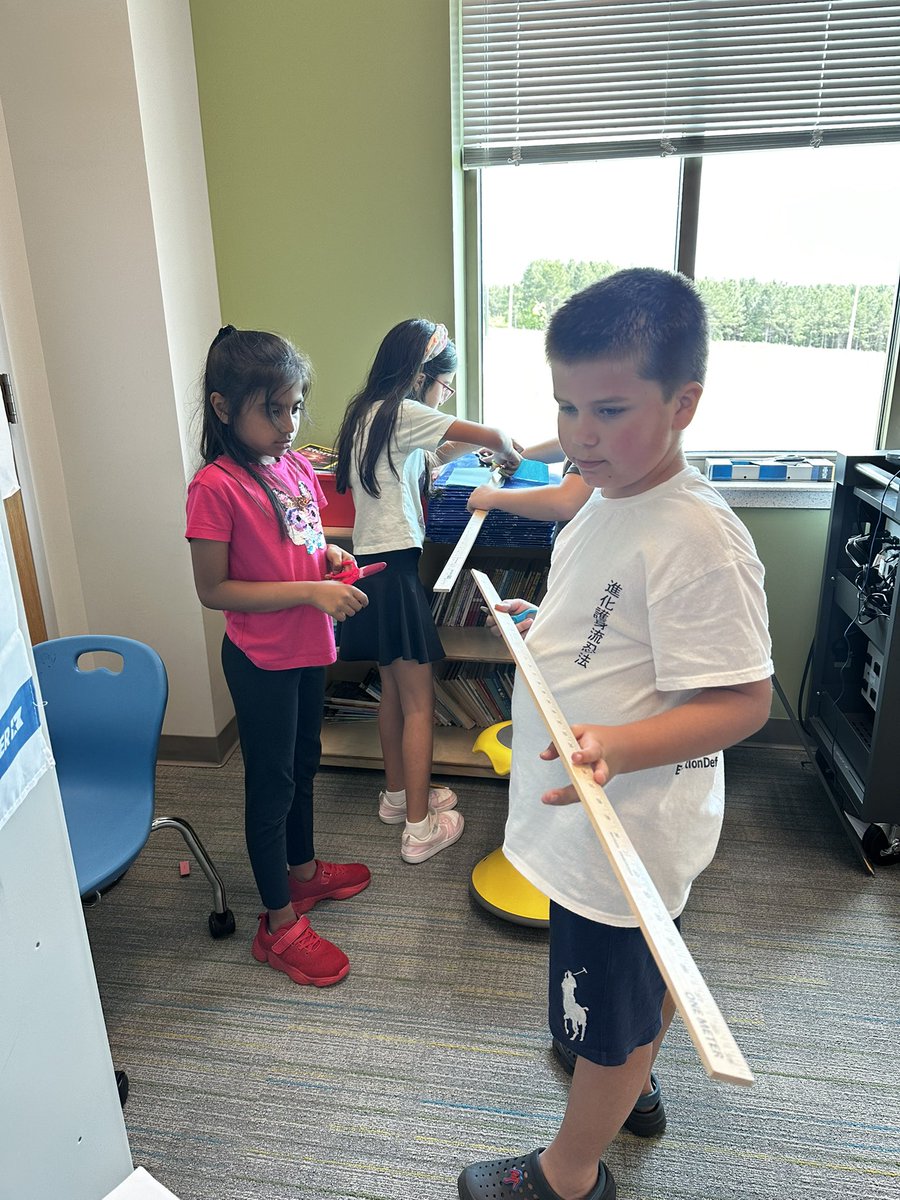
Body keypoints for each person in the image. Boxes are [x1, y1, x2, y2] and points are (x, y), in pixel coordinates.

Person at [457, 270, 773, 1200]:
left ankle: (567, 1173)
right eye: (565, 406)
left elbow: (747, 699)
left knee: (613, 1004)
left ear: (684, 404)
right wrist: (541, 621)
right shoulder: (609, 485)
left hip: (626, 823)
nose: (579, 435)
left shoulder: (699, 542)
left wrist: (621, 747)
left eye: (606, 408)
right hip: (589, 814)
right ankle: (625, 1079)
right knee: (628, 994)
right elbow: (588, 561)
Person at [185, 326, 372, 989]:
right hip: (261, 659)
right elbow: (215, 589)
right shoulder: (215, 485)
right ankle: (277, 924)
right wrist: (310, 589)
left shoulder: (291, 466)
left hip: (305, 647)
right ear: (223, 407)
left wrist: (332, 558)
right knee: (270, 787)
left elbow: (305, 540)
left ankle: (300, 874)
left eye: (295, 406)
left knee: (302, 763)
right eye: (274, 409)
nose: (290, 424)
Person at [334, 318, 522, 863]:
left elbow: (431, 458)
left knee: (393, 690)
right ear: (422, 376)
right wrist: (507, 453)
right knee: (419, 703)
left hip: (372, 567)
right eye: (445, 385)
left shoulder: (367, 413)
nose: (446, 397)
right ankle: (419, 830)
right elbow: (492, 435)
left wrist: (466, 456)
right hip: (395, 572)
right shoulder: (402, 411)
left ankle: (399, 797)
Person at [468, 437, 591, 524]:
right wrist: (514, 456)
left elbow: (566, 502)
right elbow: (572, 441)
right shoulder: (589, 434)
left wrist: (491, 496)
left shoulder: (596, 445)